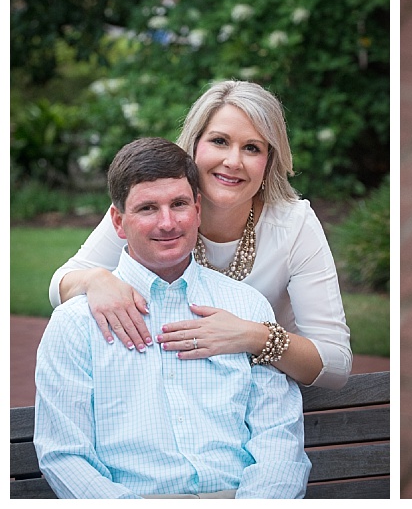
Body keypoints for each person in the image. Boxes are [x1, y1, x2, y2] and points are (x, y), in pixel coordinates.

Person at [35, 137, 310, 498]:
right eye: (148, 208)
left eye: (178, 204)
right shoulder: (76, 324)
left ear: (197, 208)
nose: (167, 223)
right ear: (119, 221)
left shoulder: (246, 308)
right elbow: (66, 455)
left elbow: (278, 439)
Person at [49, 80, 351, 389]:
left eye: (252, 148)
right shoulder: (155, 209)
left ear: (269, 161)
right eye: (220, 141)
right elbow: (60, 287)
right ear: (193, 146)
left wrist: (251, 335)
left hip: (262, 398)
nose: (233, 161)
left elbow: (336, 363)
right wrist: (95, 279)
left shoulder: (293, 224)